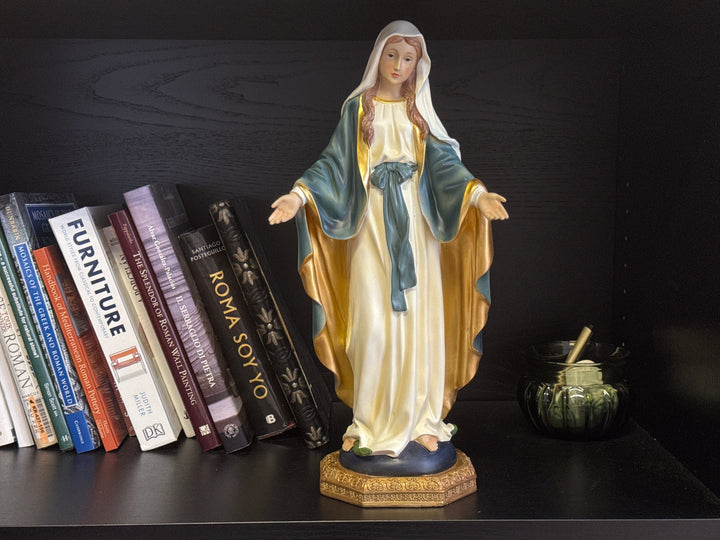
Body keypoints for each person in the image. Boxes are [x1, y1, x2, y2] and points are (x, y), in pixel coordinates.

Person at [269, 20, 508, 462]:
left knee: (419, 324)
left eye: (408, 58)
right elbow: (333, 163)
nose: (398, 65)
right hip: (371, 226)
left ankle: (421, 422)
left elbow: (446, 166)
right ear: (378, 55)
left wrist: (478, 195)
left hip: (416, 228)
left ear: (419, 65)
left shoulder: (420, 114)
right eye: (392, 54)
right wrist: (298, 195)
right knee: (372, 326)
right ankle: (368, 422)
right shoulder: (358, 109)